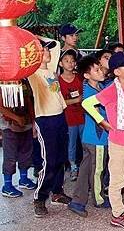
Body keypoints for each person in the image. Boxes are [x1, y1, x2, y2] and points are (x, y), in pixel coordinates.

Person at [81, 52, 124, 229]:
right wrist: (102, 121)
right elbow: (86, 104)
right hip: (119, 143)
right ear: (117, 71)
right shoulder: (111, 90)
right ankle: (117, 213)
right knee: (118, 180)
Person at [28, 39, 71, 217]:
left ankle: (57, 192)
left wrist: (46, 43)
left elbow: (57, 45)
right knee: (49, 161)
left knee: (61, 158)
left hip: (60, 116)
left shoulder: (50, 70)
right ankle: (40, 198)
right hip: (45, 120)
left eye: (47, 49)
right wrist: (35, 45)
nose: (47, 51)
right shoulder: (33, 73)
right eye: (44, 49)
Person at [68, 56, 110, 217]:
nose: (101, 71)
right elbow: (100, 118)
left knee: (86, 170)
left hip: (90, 137)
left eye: (100, 67)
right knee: (98, 169)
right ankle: (98, 199)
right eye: (97, 69)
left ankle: (77, 201)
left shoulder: (97, 87)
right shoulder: (91, 93)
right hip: (97, 138)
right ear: (86, 75)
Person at [0, 79, 36, 198]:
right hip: (9, 126)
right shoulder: (3, 82)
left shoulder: (24, 81)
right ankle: (7, 185)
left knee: (26, 153)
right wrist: (16, 118)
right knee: (10, 156)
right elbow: (1, 107)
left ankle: (24, 178)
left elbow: (29, 101)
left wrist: (33, 121)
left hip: (26, 123)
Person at [58, 49, 85, 181]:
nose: (70, 63)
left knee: (85, 143)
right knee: (71, 144)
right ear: (60, 64)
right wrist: (75, 100)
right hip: (68, 118)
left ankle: (86, 167)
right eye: (66, 61)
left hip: (83, 116)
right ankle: (73, 167)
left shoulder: (80, 78)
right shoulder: (57, 81)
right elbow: (59, 101)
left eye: (72, 61)